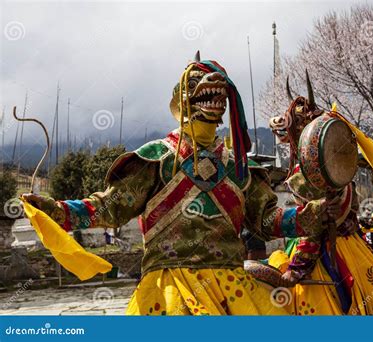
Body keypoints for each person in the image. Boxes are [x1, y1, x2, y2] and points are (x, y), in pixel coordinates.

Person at [23, 53, 341, 315]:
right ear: (183, 100)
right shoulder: (155, 158)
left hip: (232, 290)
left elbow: (267, 220)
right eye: (203, 90)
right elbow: (108, 207)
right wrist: (56, 209)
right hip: (167, 290)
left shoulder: (239, 167)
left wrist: (311, 213)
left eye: (220, 94)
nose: (214, 98)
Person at [266, 72, 373, 315]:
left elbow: (316, 227)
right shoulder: (334, 165)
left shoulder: (305, 171)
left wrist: (298, 266)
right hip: (352, 246)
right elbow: (346, 208)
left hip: (326, 252)